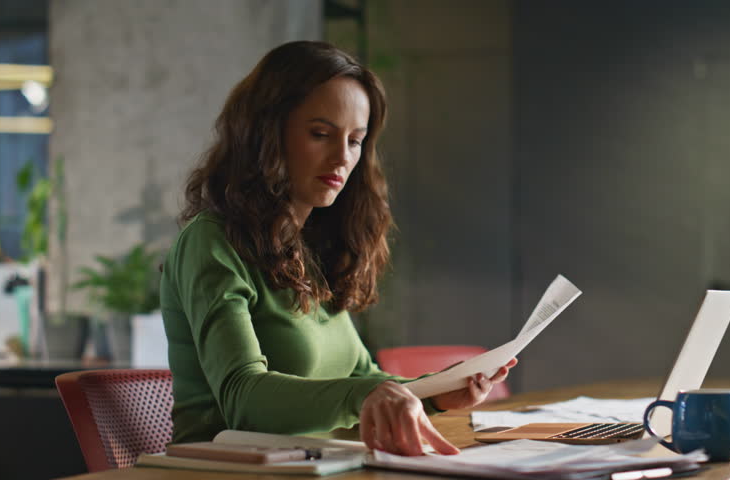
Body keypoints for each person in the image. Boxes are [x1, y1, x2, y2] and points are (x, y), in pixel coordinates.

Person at [160, 40, 516, 457]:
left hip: (318, 464)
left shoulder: (310, 246)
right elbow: (243, 398)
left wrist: (436, 393)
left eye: (355, 140)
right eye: (320, 134)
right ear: (265, 134)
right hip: (226, 470)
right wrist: (367, 395)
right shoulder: (212, 241)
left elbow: (361, 374)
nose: (342, 157)